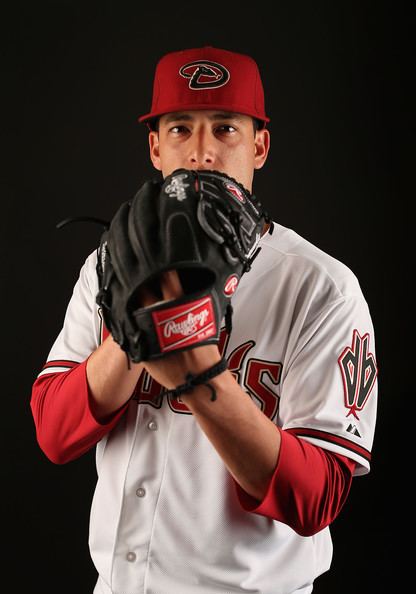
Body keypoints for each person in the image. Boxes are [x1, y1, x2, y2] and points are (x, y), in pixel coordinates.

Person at [30, 46, 378, 594]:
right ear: (155, 147)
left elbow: (316, 498)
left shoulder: (320, 287)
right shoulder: (107, 266)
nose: (201, 153)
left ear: (259, 145)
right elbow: (53, 432)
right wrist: (133, 332)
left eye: (225, 129)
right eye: (180, 130)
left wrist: (200, 376)